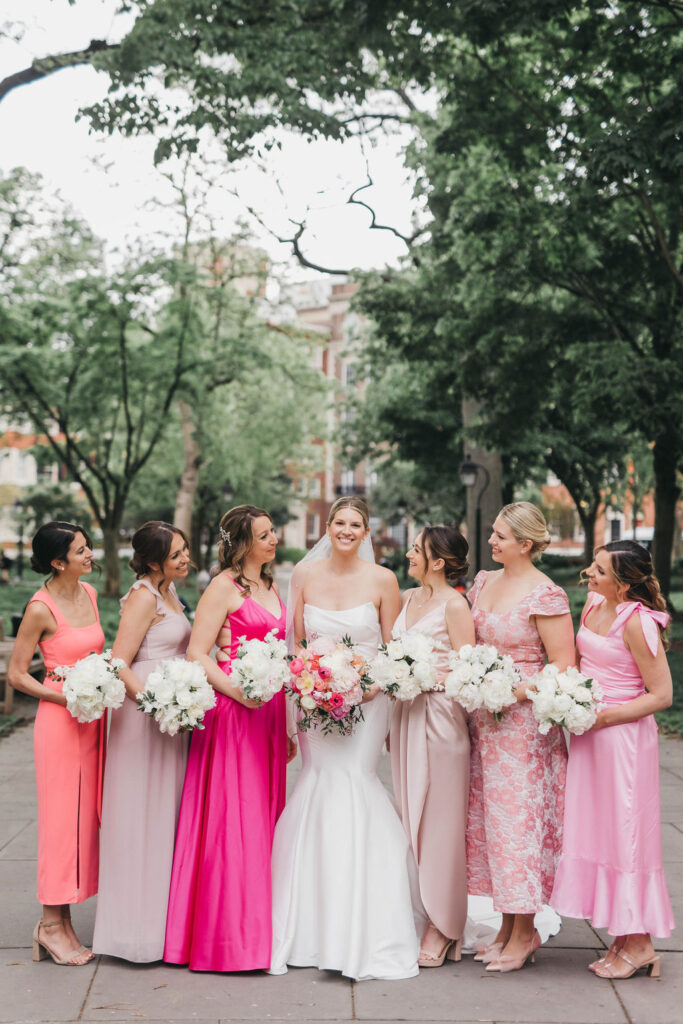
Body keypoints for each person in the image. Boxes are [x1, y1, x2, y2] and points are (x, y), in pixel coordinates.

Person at [270, 495, 422, 981]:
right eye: (340, 522)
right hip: (315, 703)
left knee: (356, 782)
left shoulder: (383, 580)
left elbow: (396, 651)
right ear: (327, 526)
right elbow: (295, 648)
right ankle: (308, 923)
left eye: (356, 523)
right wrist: (308, 690)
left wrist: (363, 690)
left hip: (368, 702)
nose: (347, 529)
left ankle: (365, 922)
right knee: (317, 782)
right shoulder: (302, 577)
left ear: (366, 531)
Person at [164, 505, 292, 972]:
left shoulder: (272, 586)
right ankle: (229, 939)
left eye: (273, 531)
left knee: (263, 818)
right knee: (234, 822)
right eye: (264, 534)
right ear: (241, 543)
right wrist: (240, 691)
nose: (274, 539)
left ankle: (262, 925)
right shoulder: (222, 587)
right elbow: (199, 653)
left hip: (269, 715)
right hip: (235, 714)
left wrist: (287, 720)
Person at [550, 540, 674, 978]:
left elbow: (662, 695)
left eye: (599, 570)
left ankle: (639, 943)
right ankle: (622, 936)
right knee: (597, 832)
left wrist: (605, 717)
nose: (589, 573)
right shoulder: (592, 605)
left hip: (622, 740)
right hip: (589, 738)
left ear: (624, 584)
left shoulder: (640, 624)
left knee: (626, 835)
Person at [467, 502, 574, 973]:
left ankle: (526, 932)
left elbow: (564, 665)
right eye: (493, 534)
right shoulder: (484, 582)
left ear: (525, 544)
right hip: (483, 724)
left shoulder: (546, 595)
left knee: (519, 827)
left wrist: (513, 691)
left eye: (501, 536)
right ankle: (508, 926)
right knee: (492, 826)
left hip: (525, 730)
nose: (491, 541)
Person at [93, 522, 192, 962]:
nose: (185, 558)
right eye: (177, 554)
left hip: (172, 716)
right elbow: (119, 661)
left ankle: (164, 927)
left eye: (185, 550)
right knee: (140, 817)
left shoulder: (169, 592)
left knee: (166, 818)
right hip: (144, 717)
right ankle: (133, 934)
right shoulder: (143, 596)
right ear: (154, 561)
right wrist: (156, 704)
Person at [8, 522, 105, 966]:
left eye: (88, 547)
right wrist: (65, 696)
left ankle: (63, 920)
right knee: (60, 821)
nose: (90, 555)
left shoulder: (89, 594)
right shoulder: (39, 608)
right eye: (81, 551)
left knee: (85, 819)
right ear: (57, 562)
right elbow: (17, 674)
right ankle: (50, 925)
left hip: (94, 720)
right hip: (59, 722)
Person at [390, 525, 474, 967]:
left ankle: (444, 925)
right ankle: (420, 907)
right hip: (405, 716)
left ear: (438, 561)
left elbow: (468, 671)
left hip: (441, 719)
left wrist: (424, 679)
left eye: (416, 550)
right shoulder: (407, 598)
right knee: (412, 819)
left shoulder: (455, 605)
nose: (408, 554)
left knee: (440, 821)